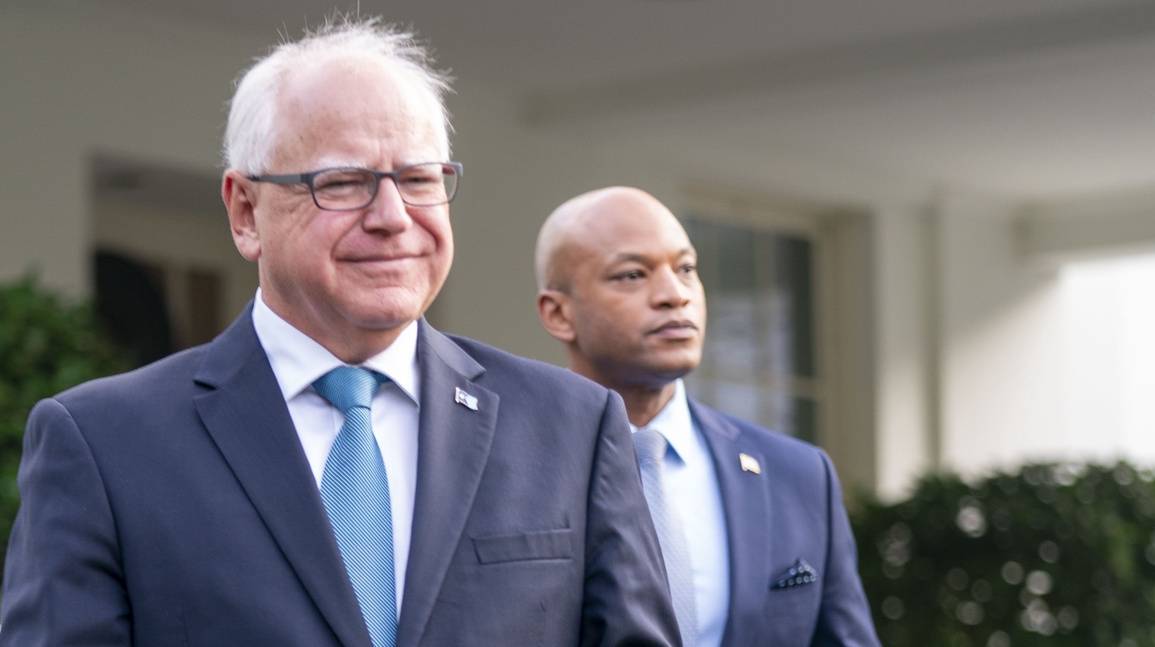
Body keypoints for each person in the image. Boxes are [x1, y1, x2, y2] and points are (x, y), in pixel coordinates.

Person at [0, 21, 679, 647]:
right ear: (245, 213)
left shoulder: (570, 426)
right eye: (345, 182)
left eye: (418, 179)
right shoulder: (104, 443)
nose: (392, 216)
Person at [535, 186, 881, 647]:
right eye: (633, 274)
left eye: (686, 269)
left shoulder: (798, 476)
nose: (674, 295)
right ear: (559, 314)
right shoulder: (510, 469)